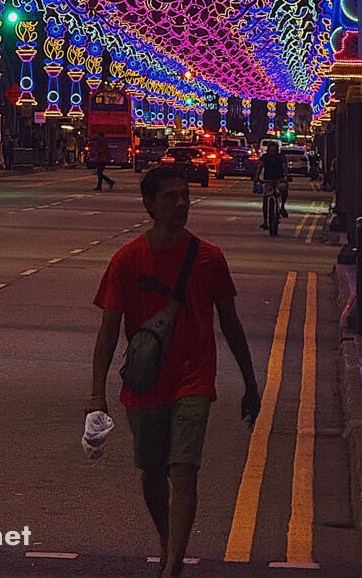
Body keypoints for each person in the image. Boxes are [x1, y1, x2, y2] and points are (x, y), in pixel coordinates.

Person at [89, 164, 260, 578]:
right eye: (171, 197)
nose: (182, 203)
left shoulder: (208, 258)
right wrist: (97, 395)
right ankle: (168, 542)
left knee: (184, 469)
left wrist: (250, 383)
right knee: (151, 472)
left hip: (194, 378)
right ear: (149, 204)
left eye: (185, 195)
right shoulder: (127, 260)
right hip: (146, 383)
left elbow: (231, 324)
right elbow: (109, 331)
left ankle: (172, 567)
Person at [257, 139, 288, 229]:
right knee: (265, 200)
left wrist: (287, 175)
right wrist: (256, 176)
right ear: (268, 150)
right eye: (271, 151)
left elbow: (284, 167)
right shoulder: (265, 157)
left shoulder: (281, 157)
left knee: (284, 189)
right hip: (268, 180)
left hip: (279, 179)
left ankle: (282, 207)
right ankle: (266, 222)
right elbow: (260, 167)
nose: (273, 153)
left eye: (275, 151)